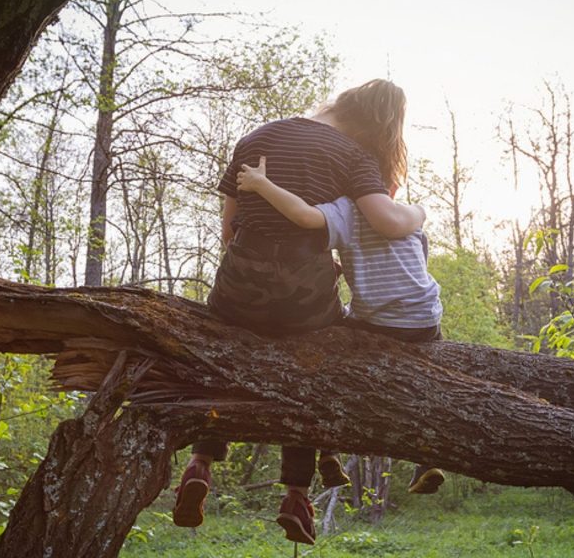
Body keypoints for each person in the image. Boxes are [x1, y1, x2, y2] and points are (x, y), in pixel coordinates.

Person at [172, 79, 425, 546]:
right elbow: (387, 222)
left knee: (223, 350)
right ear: (378, 124)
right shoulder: (355, 156)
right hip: (304, 289)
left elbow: (229, 230)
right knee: (314, 365)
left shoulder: (255, 138)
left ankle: (199, 465)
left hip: (240, 278)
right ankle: (295, 495)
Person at [236, 155, 447, 497]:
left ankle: (328, 452)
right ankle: (429, 459)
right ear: (392, 186)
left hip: (378, 323)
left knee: (324, 365)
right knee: (433, 379)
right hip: (425, 319)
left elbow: (303, 215)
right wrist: (420, 211)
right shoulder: (406, 213)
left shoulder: (346, 210)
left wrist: (263, 184)